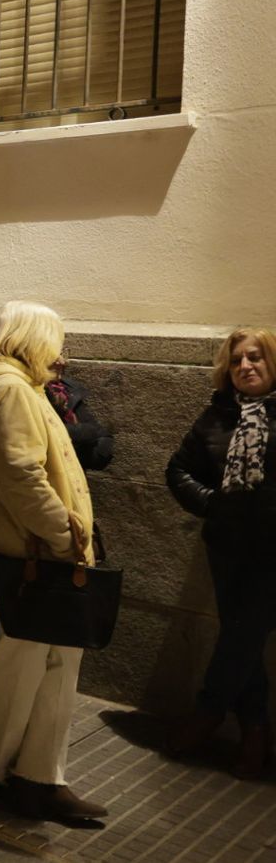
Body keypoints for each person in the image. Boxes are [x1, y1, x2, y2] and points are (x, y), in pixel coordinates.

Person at [0, 301, 107, 822]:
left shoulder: (10, 385)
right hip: (34, 550)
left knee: (44, 662)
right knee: (32, 663)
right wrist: (64, 534)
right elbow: (22, 475)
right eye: (56, 339)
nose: (61, 351)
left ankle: (31, 774)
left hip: (31, 548)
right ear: (32, 339)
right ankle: (13, 774)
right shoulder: (9, 389)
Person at [165, 327, 276, 781]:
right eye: (235, 361)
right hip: (229, 548)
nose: (244, 367)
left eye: (255, 358)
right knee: (241, 639)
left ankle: (208, 713)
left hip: (273, 553)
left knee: (242, 634)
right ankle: (255, 734)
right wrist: (212, 504)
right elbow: (178, 470)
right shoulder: (216, 416)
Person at [44, 359, 115, 472]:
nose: (62, 362)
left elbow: (100, 434)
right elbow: (46, 434)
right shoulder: (26, 391)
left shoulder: (67, 388)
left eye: (62, 354)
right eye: (52, 355)